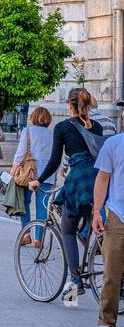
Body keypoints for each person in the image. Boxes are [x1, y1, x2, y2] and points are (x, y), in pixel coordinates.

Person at [36, 87, 105, 301]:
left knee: (67, 229)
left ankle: (74, 283)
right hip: (98, 181)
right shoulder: (99, 127)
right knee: (91, 219)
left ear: (70, 105)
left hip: (77, 183)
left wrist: (38, 180)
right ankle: (90, 244)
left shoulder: (63, 127)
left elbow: (55, 161)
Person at [92, 129, 124, 327]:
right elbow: (103, 178)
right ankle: (106, 321)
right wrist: (97, 210)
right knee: (111, 271)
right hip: (117, 214)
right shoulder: (113, 143)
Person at [11, 107, 56, 245]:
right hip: (47, 175)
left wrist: (14, 168)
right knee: (42, 206)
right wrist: (54, 177)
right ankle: (38, 238)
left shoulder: (27, 131)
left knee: (24, 204)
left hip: (28, 175)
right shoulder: (53, 134)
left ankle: (26, 234)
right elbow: (56, 157)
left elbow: (21, 152)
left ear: (33, 117)